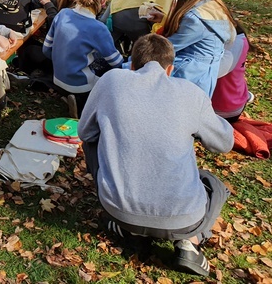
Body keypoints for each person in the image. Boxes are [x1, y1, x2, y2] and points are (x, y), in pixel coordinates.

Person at [78, 33, 234, 278]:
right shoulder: (190, 92)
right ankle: (191, 242)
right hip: (183, 219)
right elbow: (224, 143)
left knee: (92, 141)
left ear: (132, 65)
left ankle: (129, 230)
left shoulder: (111, 81)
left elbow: (85, 131)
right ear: (170, 69)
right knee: (214, 185)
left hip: (118, 208)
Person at [43, 0, 122, 118]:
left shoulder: (62, 14)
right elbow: (116, 63)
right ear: (104, 1)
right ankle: (86, 105)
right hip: (80, 84)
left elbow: (46, 49)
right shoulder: (99, 28)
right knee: (111, 70)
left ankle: (70, 97)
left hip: (58, 77)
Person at [159, 0, 236, 97]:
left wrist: (130, 63)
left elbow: (168, 47)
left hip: (188, 78)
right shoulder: (213, 5)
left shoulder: (194, 19)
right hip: (205, 77)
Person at [211, 24, 254, 122]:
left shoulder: (232, 44)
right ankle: (244, 95)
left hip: (220, 111)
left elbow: (215, 72)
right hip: (235, 101)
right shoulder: (241, 39)